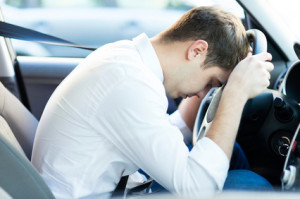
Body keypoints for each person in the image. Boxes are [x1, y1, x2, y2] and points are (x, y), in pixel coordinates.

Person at [31, 6, 274, 199]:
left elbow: (146, 132)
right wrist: (236, 94)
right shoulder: (130, 83)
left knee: (233, 154)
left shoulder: (126, 59)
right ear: (197, 51)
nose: (204, 94)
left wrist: (196, 118)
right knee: (252, 184)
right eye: (212, 81)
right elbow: (198, 188)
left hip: (116, 182)